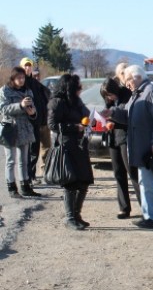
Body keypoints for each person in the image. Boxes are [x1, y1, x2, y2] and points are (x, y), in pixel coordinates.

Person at [104, 65, 153, 229]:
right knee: (145, 183)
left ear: (136, 77)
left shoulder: (151, 92)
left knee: (149, 185)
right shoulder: (138, 94)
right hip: (141, 149)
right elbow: (127, 115)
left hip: (149, 149)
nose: (126, 84)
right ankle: (149, 216)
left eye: (127, 80)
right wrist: (111, 113)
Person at [47, 74, 94, 230]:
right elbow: (53, 125)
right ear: (70, 88)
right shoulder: (57, 102)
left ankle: (77, 214)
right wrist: (75, 127)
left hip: (80, 144)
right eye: (78, 87)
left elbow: (86, 113)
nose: (81, 90)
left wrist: (90, 120)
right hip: (66, 145)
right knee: (71, 182)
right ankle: (70, 217)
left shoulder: (77, 101)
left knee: (84, 181)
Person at [100, 74, 141, 219]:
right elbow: (108, 113)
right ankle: (124, 208)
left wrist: (113, 120)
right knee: (118, 174)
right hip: (113, 138)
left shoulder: (126, 95)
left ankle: (146, 206)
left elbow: (128, 116)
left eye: (110, 95)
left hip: (125, 137)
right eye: (107, 96)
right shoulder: (108, 100)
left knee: (132, 173)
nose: (109, 98)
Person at [0, 67, 39, 198]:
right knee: (11, 160)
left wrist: (33, 113)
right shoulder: (5, 91)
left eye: (23, 78)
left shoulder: (28, 91)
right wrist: (20, 106)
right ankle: (11, 188)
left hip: (25, 128)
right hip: (10, 128)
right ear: (13, 78)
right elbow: (3, 109)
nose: (21, 80)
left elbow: (32, 110)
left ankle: (25, 186)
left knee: (24, 160)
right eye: (18, 78)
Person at [20, 58, 50, 187]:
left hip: (40, 122)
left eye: (29, 66)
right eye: (25, 66)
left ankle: (37, 175)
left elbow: (46, 96)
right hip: (28, 123)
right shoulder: (21, 83)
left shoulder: (35, 82)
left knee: (38, 149)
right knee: (30, 151)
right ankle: (28, 177)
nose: (28, 68)